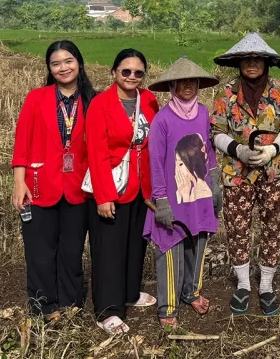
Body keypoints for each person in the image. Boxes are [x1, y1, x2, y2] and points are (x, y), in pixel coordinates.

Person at [11, 40, 96, 320]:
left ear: (79, 63)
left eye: (68, 61)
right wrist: (18, 182)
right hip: (38, 186)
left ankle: (71, 302)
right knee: (40, 251)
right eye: (56, 63)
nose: (63, 68)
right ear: (49, 68)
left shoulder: (92, 100)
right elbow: (22, 142)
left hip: (77, 189)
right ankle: (43, 305)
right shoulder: (37, 98)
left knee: (71, 250)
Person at [211, 33, 280, 315]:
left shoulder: (279, 91)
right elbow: (216, 132)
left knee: (272, 228)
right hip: (237, 174)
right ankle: (243, 285)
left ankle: (267, 286)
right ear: (239, 63)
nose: (252, 64)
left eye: (257, 59)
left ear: (266, 62)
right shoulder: (227, 93)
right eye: (247, 59)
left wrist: (273, 150)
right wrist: (238, 150)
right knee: (238, 229)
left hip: (273, 173)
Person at [86, 49, 159, 334]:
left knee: (134, 243)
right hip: (113, 184)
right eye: (125, 71)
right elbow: (96, 152)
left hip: (141, 186)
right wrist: (103, 196)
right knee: (109, 249)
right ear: (114, 72)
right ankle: (108, 310)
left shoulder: (150, 100)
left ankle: (130, 292)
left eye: (138, 72)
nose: (131, 77)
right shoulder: (101, 104)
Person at [144, 57, 221, 328]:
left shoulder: (202, 112)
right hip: (173, 197)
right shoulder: (162, 120)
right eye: (181, 81)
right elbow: (155, 162)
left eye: (192, 81)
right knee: (170, 249)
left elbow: (207, 151)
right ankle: (168, 307)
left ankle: (192, 292)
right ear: (172, 86)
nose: (187, 86)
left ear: (198, 84)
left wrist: (214, 183)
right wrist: (161, 199)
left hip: (198, 193)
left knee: (198, 244)